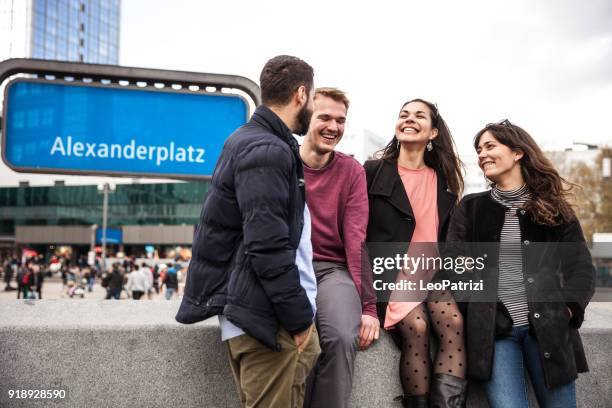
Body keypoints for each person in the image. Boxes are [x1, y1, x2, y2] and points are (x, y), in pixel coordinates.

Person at [176, 55, 320, 408]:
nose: (313, 105)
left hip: (258, 315)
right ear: (301, 94)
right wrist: (299, 319)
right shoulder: (267, 149)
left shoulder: (249, 139)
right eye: (313, 97)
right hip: (267, 323)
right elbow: (267, 247)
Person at [446, 120, 596, 408]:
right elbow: (453, 265)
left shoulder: (555, 209)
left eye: (490, 146)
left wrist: (566, 308)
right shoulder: (471, 208)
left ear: (518, 153)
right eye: (478, 149)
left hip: (549, 331)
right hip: (495, 332)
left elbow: (581, 269)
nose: (482, 155)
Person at [364, 99, 466, 407]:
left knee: (454, 324)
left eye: (419, 116)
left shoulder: (444, 180)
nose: (409, 119)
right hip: (392, 275)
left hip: (432, 273)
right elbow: (358, 232)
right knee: (418, 327)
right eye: (403, 115)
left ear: (433, 132)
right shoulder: (371, 171)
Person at [299, 87, 378, 408]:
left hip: (332, 269)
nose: (333, 127)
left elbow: (357, 238)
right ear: (306, 117)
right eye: (325, 117)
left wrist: (369, 307)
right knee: (293, 343)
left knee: (342, 337)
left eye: (341, 120)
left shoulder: (351, 170)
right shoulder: (281, 161)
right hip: (288, 268)